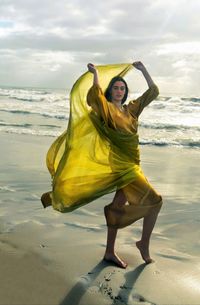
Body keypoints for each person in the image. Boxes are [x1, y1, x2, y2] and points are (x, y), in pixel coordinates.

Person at [41, 62, 163, 269]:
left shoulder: (131, 110)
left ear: (125, 92)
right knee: (156, 201)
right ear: (111, 91)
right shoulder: (105, 110)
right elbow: (95, 96)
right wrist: (96, 73)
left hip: (134, 163)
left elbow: (153, 91)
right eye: (115, 87)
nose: (119, 91)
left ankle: (109, 251)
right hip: (123, 167)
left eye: (122, 88)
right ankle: (143, 244)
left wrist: (143, 71)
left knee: (117, 207)